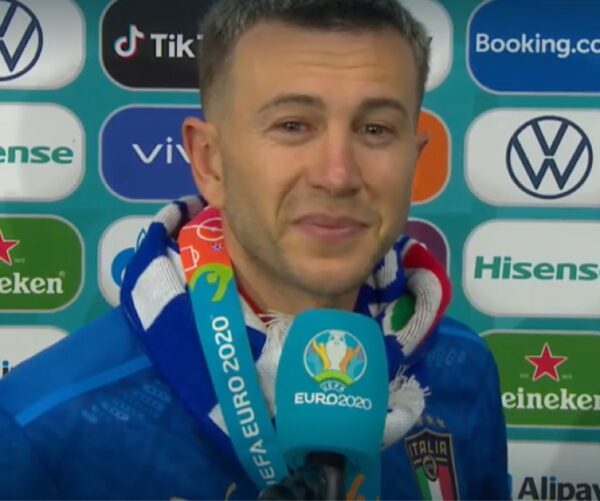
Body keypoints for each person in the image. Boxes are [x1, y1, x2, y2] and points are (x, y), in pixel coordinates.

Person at [0, 0, 509, 499]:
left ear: (413, 161)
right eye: (293, 126)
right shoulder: (41, 424)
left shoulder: (462, 367)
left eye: (375, 129)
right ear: (210, 162)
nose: (337, 176)